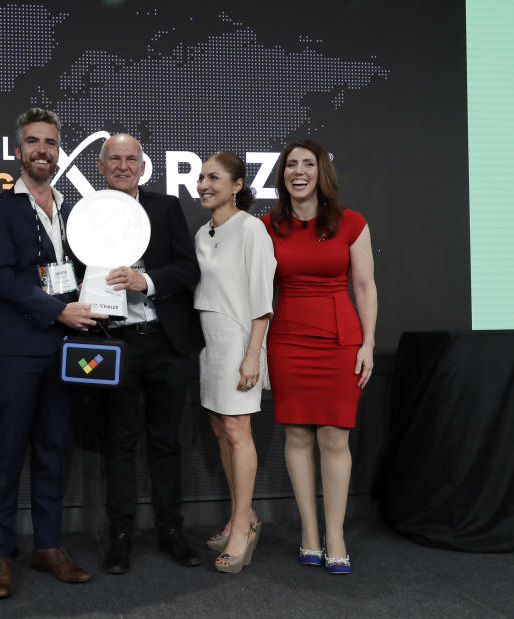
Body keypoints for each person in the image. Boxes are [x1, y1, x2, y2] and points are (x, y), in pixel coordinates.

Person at [0, 108, 106, 598]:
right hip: (17, 348)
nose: (42, 151)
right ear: (17, 151)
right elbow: (1, 277)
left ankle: (48, 546)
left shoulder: (74, 211)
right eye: (33, 142)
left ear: (59, 152)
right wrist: (58, 312)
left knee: (54, 450)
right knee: (8, 452)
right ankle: (1, 555)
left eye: (50, 143)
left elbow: (81, 273)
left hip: (66, 349)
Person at [260, 140, 377, 574]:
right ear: (283, 175)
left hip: (339, 341)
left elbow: (364, 286)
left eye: (308, 164)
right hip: (288, 340)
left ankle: (337, 535)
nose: (299, 171)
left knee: (334, 438)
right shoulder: (268, 225)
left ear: (321, 173)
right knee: (297, 437)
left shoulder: (352, 223)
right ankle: (310, 533)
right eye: (291, 164)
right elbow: (259, 290)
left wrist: (367, 343)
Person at [96, 134, 203, 575]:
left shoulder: (166, 208)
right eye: (114, 160)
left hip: (164, 342)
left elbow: (189, 269)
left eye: (131, 160)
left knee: (165, 442)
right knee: (119, 444)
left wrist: (148, 282)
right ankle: (120, 536)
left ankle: (171, 530)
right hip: (113, 345)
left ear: (144, 168)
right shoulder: (86, 214)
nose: (123, 166)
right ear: (100, 168)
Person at [193, 152, 276, 573]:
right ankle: (243, 514)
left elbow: (263, 301)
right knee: (219, 427)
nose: (204, 184)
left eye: (214, 177)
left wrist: (251, 356)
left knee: (237, 429)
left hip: (241, 342)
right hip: (210, 344)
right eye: (201, 176)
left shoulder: (252, 230)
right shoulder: (202, 232)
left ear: (237, 185)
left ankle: (243, 528)